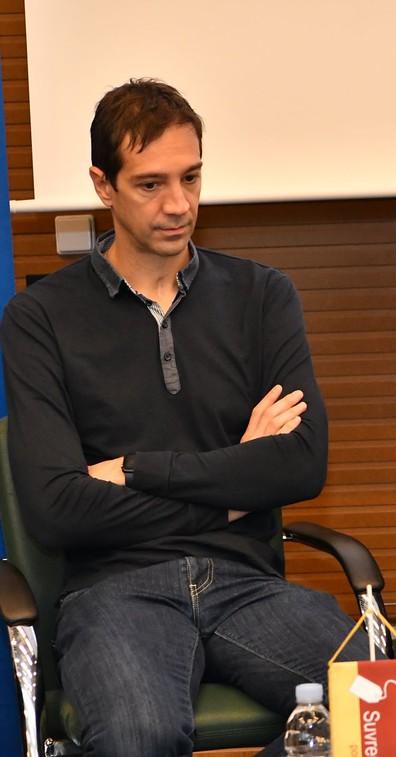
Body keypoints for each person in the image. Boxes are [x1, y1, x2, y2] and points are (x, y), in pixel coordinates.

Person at [0, 79, 368, 756]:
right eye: (151, 184)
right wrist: (233, 488)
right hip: (116, 590)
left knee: (376, 698)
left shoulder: (262, 295)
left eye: (191, 177)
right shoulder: (40, 318)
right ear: (103, 185)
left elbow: (300, 464)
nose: (179, 204)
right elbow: (57, 508)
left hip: (250, 583)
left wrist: (137, 470)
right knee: (138, 734)